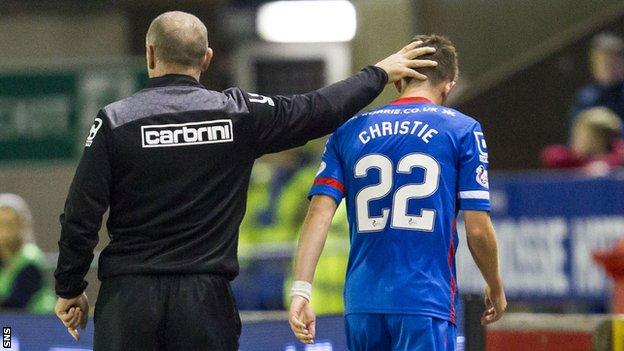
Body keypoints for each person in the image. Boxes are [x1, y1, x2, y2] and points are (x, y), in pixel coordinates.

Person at [52, 10, 439, 350]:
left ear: (150, 54)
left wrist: (70, 288)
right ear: (206, 59)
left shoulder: (115, 120)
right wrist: (378, 74)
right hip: (205, 303)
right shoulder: (238, 115)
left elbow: (80, 214)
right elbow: (319, 109)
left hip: (129, 300)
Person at [288, 35, 506, 350]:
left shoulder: (348, 131)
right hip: (424, 300)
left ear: (397, 81)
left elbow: (319, 213)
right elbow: (477, 228)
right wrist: (495, 286)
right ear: (449, 86)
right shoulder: (462, 129)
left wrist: (301, 291)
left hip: (362, 304)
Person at [0, 193, 55, 314]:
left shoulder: (31, 259)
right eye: (1, 224)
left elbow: (16, 304)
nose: (5, 231)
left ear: (23, 225)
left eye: (10, 224)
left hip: (36, 326)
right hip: (7, 324)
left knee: (7, 333)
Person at [542, 107, 624, 171]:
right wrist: (588, 166)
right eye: (577, 135)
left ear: (598, 139)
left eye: (584, 136)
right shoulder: (570, 159)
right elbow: (551, 156)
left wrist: (604, 164)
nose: (577, 139)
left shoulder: (618, 155)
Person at [570, 33, 624, 123]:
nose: (610, 68)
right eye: (604, 63)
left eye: (614, 63)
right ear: (594, 65)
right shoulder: (586, 100)